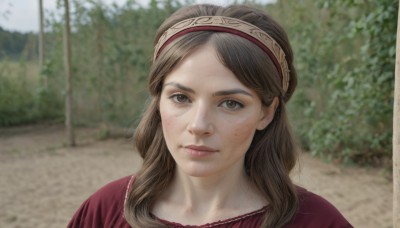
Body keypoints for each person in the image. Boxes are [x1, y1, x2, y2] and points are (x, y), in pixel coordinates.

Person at [68, 3, 353, 228]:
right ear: (159, 102)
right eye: (181, 98)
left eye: (230, 103)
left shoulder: (317, 221)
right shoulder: (105, 211)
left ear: (267, 112)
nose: (199, 125)